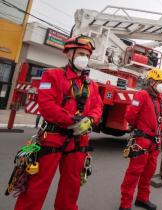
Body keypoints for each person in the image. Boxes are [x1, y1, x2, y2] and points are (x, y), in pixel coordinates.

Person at [15, 34, 103, 210]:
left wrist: (90, 120)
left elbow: (98, 106)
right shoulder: (52, 76)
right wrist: (72, 120)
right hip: (52, 137)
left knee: (72, 187)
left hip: (78, 142)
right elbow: (47, 106)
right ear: (69, 54)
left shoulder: (91, 85)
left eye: (87, 55)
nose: (84, 58)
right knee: (36, 186)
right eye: (80, 53)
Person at [119, 68, 162, 210]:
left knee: (148, 173)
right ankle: (125, 204)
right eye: (159, 82)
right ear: (151, 81)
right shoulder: (142, 95)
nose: (161, 85)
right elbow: (131, 115)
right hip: (142, 140)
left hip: (154, 142)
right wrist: (136, 128)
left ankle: (142, 198)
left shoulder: (160, 99)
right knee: (134, 173)